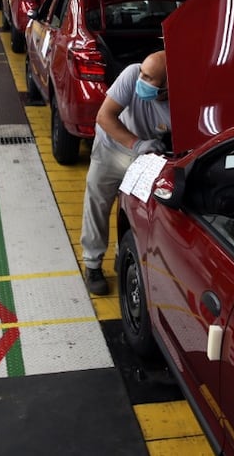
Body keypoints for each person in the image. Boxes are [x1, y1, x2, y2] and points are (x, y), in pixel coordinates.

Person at [80, 50, 171, 295]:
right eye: (143, 72)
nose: (141, 79)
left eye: (149, 77)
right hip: (111, 148)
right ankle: (92, 263)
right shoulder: (131, 74)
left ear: (167, 87)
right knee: (97, 203)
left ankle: (123, 256)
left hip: (143, 160)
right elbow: (104, 116)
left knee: (133, 211)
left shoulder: (177, 106)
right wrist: (137, 143)